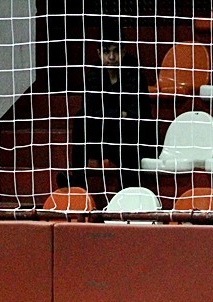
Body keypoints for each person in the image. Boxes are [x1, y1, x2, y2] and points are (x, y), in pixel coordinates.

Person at [58, 24, 151, 191]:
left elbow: (137, 113)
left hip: (133, 138)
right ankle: (78, 183)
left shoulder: (135, 75)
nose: (112, 57)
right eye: (107, 52)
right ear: (99, 53)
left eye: (116, 51)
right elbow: (89, 111)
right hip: (105, 134)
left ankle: (128, 189)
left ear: (123, 52)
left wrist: (109, 113)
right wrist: (118, 113)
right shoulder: (92, 76)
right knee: (80, 121)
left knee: (125, 128)